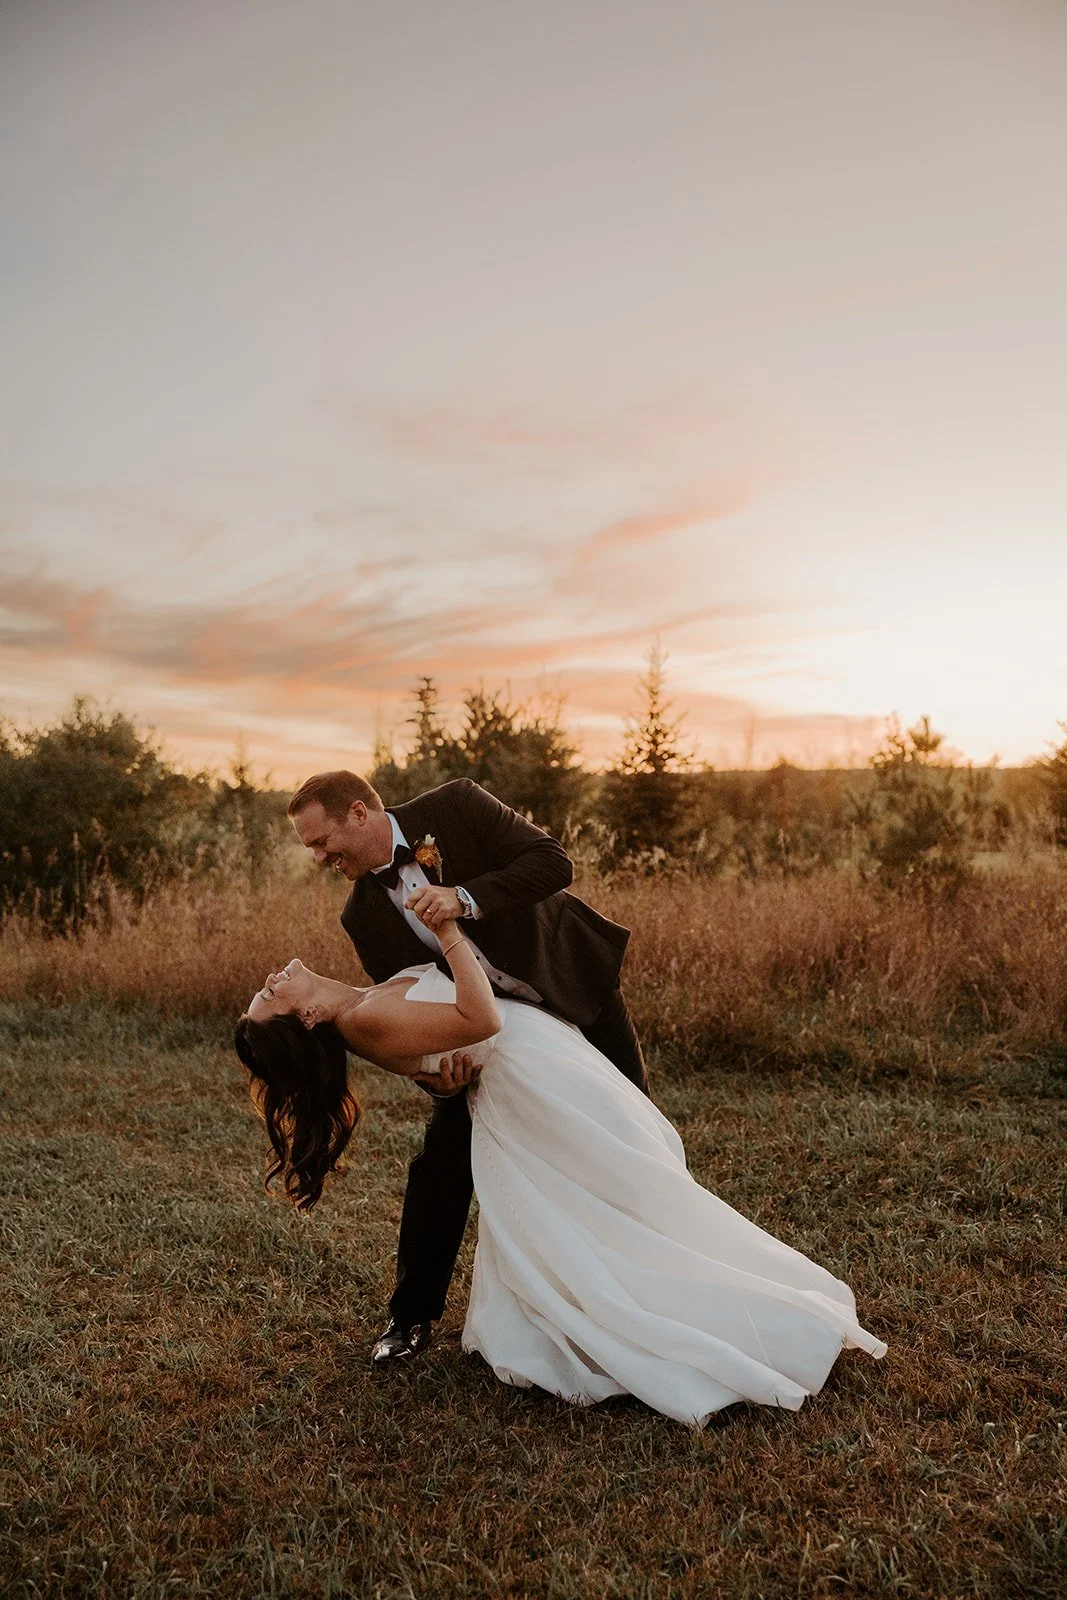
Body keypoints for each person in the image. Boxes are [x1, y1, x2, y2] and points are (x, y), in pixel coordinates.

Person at [234, 931, 887, 1427]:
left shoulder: (358, 1006)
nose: (268, 979)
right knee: (620, 1202)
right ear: (306, 1022)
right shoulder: (362, 1020)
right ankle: (691, 1319)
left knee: (608, 1201)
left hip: (544, 1062)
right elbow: (482, 1018)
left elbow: (441, 1043)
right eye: (268, 997)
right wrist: (453, 933)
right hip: (536, 1075)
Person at [285, 770, 647, 1366]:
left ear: (357, 812)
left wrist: (464, 897)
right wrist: (434, 1074)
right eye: (312, 850)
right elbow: (410, 998)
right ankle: (410, 1317)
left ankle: (644, 1269)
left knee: (632, 1123)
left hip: (570, 983)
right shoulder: (362, 918)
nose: (320, 857)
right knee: (443, 1161)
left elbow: (554, 864)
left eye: (322, 842)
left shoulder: (455, 805)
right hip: (492, 1038)